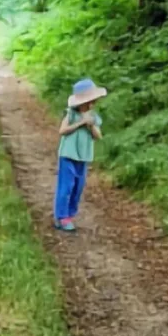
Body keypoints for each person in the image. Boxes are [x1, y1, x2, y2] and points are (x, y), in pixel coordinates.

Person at [54, 78, 106, 232]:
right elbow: (62, 131)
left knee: (78, 187)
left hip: (83, 156)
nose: (93, 103)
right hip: (68, 155)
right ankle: (62, 216)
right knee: (66, 186)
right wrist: (80, 123)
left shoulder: (93, 117)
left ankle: (69, 214)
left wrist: (90, 125)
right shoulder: (71, 114)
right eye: (90, 100)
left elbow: (98, 136)